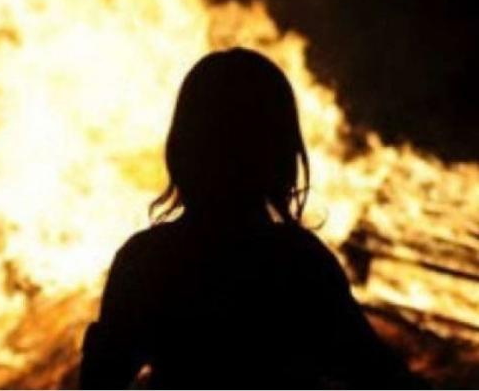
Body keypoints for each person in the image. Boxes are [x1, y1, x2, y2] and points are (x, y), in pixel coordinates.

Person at [79, 48, 425, 389]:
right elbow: (376, 373)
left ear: (183, 147)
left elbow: (100, 380)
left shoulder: (146, 260)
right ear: (281, 154)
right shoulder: (300, 263)